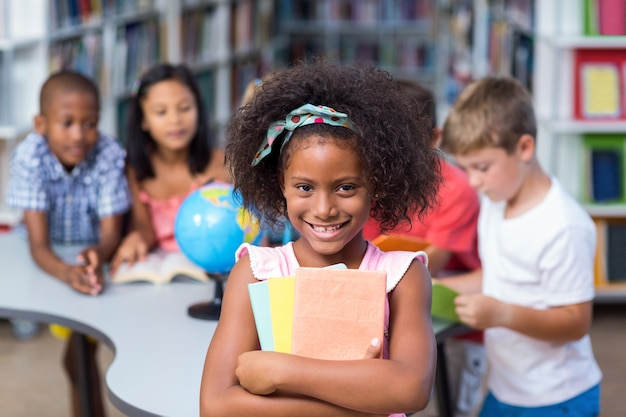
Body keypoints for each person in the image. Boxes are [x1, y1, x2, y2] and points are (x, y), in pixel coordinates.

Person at [200, 60, 441, 417]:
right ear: (280, 184)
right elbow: (216, 406)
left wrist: (281, 372)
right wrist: (364, 398)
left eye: (346, 187)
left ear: (377, 184)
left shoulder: (403, 276)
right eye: (304, 187)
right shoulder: (255, 272)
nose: (324, 209)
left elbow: (411, 389)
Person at [439, 76, 602, 417]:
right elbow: (497, 275)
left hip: (557, 397)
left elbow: (575, 321)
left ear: (524, 148)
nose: (473, 181)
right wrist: (428, 286)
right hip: (506, 386)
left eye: (482, 167)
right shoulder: (495, 201)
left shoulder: (563, 226)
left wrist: (501, 314)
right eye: (465, 168)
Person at [6, 69, 131, 417]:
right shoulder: (30, 157)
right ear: (40, 124)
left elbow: (110, 234)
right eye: (67, 122)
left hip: (91, 257)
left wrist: (97, 253)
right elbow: (38, 246)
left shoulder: (108, 153)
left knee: (81, 351)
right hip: (47, 265)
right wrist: (66, 272)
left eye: (89, 123)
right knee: (79, 353)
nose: (79, 134)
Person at [364, 79, 484, 417]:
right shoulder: (368, 182)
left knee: (453, 403)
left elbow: (429, 265)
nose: (395, 153)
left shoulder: (456, 190)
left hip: (454, 319)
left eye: (407, 141)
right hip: (382, 307)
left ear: (435, 138)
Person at [109, 63, 230, 272]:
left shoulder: (224, 164)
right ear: (144, 121)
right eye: (161, 112)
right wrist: (136, 238)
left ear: (199, 111)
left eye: (184, 108)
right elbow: (144, 228)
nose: (175, 120)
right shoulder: (135, 168)